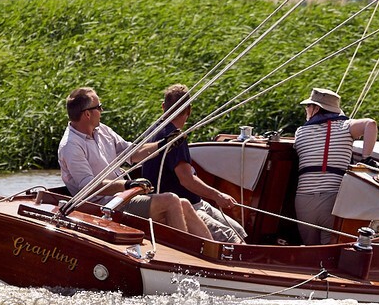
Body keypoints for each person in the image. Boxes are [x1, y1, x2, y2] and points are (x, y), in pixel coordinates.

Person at [58, 87, 211, 239]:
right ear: (87, 114)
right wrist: (127, 185)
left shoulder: (102, 130)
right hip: (104, 207)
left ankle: (212, 256)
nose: (102, 110)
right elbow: (88, 187)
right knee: (171, 201)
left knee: (183, 203)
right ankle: (184, 256)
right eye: (99, 107)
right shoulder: (71, 146)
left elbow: (133, 153)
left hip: (123, 197)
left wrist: (164, 144)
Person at [142, 84, 247, 244]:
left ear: (163, 107)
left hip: (196, 203)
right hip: (187, 207)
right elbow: (187, 180)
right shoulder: (174, 137)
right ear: (189, 110)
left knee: (238, 230)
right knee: (233, 239)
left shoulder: (152, 131)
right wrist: (218, 196)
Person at [294, 87, 377, 245]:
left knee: (309, 249)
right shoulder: (346, 126)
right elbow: (370, 124)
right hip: (333, 197)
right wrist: (366, 159)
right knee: (329, 247)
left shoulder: (300, 132)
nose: (306, 109)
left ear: (316, 109)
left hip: (303, 199)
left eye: (308, 106)